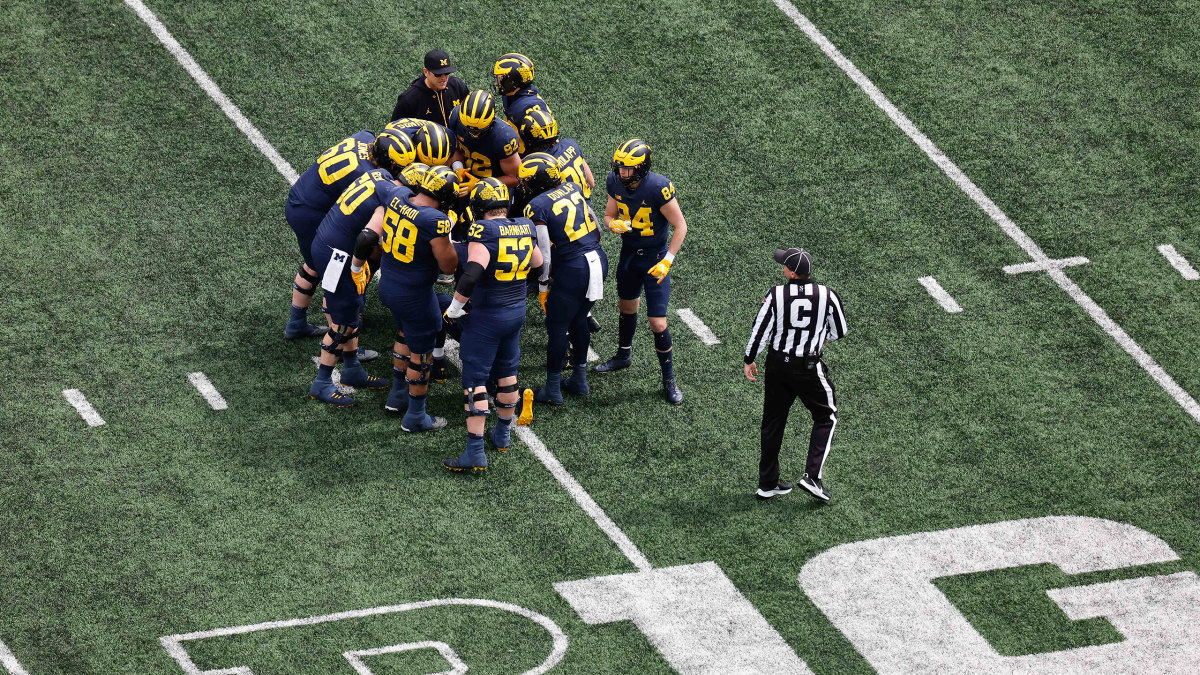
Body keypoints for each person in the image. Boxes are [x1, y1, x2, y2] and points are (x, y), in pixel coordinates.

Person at [443, 178, 543, 473]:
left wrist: (455, 308)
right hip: (515, 312)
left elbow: (472, 274)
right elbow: (538, 264)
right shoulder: (525, 225)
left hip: (487, 316)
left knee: (474, 380)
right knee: (508, 372)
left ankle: (475, 452)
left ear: (478, 207)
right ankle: (502, 435)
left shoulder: (483, 230)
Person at [351, 165, 459, 431]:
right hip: (415, 295)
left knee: (405, 333)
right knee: (422, 355)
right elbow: (448, 267)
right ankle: (415, 416)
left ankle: (397, 395)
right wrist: (450, 238)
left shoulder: (396, 196)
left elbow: (381, 184)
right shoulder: (435, 221)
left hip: (388, 285)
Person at [284, 130, 415, 346]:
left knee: (315, 265)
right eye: (397, 167)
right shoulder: (366, 175)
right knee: (334, 278)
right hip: (310, 213)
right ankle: (343, 344)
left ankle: (297, 322)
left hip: (304, 200)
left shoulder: (363, 138)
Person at [743, 247, 848, 502]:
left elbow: (760, 331)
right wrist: (820, 339)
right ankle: (812, 477)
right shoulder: (827, 295)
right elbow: (840, 330)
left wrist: (749, 359)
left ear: (791, 272)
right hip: (808, 367)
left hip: (778, 365)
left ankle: (767, 483)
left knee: (772, 423)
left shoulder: (776, 294)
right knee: (826, 416)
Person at [593, 139, 688, 405]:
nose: (622, 173)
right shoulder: (614, 182)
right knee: (626, 308)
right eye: (620, 168)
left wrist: (668, 260)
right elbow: (609, 215)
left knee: (658, 322)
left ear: (642, 168)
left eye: (628, 169)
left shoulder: (658, 187)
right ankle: (623, 355)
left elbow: (681, 226)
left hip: (655, 259)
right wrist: (614, 225)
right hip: (630, 255)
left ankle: (669, 379)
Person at [307, 168, 403, 406]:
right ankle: (321, 383)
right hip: (339, 256)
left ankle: (351, 369)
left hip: (331, 245)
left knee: (352, 312)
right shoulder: (391, 198)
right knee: (341, 325)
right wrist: (358, 268)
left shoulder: (380, 175)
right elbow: (367, 238)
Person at [520, 154, 607, 405]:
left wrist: (544, 283)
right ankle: (579, 380)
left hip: (574, 269)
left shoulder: (536, 206)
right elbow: (597, 228)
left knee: (557, 326)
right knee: (579, 318)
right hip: (597, 260)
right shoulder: (572, 187)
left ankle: (552, 389)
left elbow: (545, 253)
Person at [447, 90, 522, 195]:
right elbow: (456, 149)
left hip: (494, 190)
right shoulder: (456, 118)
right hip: (466, 182)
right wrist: (458, 167)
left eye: (478, 130)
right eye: (467, 129)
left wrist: (480, 184)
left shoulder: (503, 137)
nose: (472, 133)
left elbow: (516, 178)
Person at [391, 49, 468, 127]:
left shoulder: (457, 86)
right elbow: (394, 130)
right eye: (438, 74)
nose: (444, 78)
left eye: (447, 73)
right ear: (426, 72)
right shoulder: (409, 99)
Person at [492, 53, 550, 154]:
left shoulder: (530, 108)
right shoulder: (510, 94)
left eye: (501, 78)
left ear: (511, 82)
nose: (498, 81)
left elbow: (544, 144)